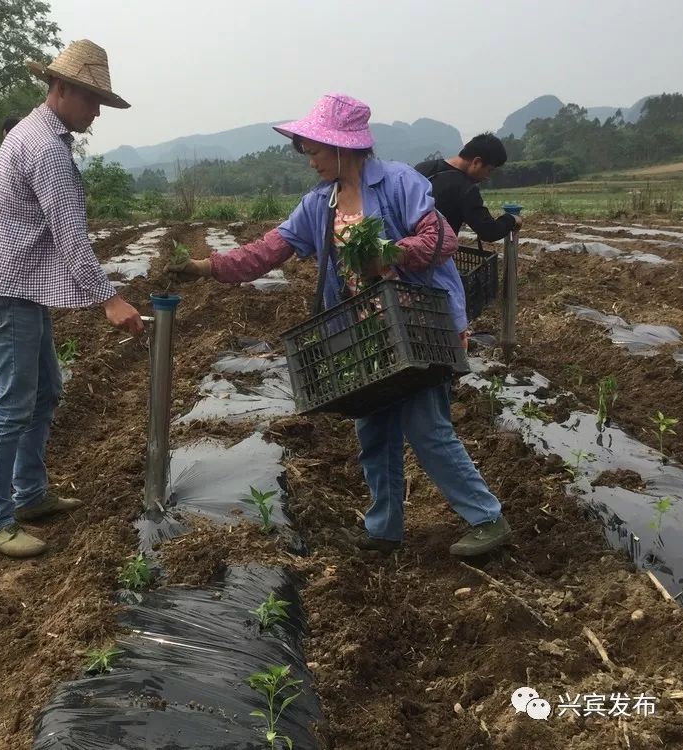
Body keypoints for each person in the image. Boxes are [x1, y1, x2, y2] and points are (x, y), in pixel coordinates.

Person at [169, 94, 511, 557]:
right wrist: (201, 266)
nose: (310, 160)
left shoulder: (398, 182)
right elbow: (267, 251)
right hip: (366, 332)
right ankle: (384, 529)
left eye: (314, 150)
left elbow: (441, 240)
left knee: (425, 425)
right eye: (306, 150)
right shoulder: (319, 204)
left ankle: (486, 518)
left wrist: (387, 254)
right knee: (373, 428)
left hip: (417, 320)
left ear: (343, 147)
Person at [0, 39, 143, 558]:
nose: (95, 112)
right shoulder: (44, 148)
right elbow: (70, 235)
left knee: (45, 392)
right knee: (14, 403)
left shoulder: (38, 134)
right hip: (8, 289)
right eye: (90, 100)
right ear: (60, 89)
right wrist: (108, 300)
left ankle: (32, 494)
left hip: (19, 286)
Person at [416, 133, 522, 242]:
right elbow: (489, 231)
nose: (487, 177)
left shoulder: (422, 168)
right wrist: (512, 219)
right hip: (435, 254)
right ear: (476, 162)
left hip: (404, 249)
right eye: (489, 170)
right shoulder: (465, 188)